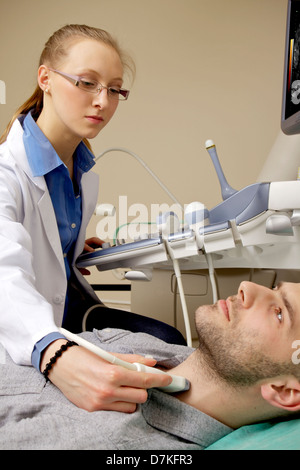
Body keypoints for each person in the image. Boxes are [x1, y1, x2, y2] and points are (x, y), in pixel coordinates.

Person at [0, 24, 186, 414]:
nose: (103, 100)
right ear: (45, 78)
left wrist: (72, 245)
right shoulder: (6, 172)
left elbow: (40, 237)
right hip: (24, 329)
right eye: (87, 83)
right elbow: (4, 272)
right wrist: (53, 352)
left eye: (115, 89)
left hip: (65, 307)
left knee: (169, 344)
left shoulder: (79, 168)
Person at [0, 280, 300, 450]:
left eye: (279, 314)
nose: (247, 286)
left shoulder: (113, 443)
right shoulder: (158, 347)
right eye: (274, 286)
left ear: (285, 391)